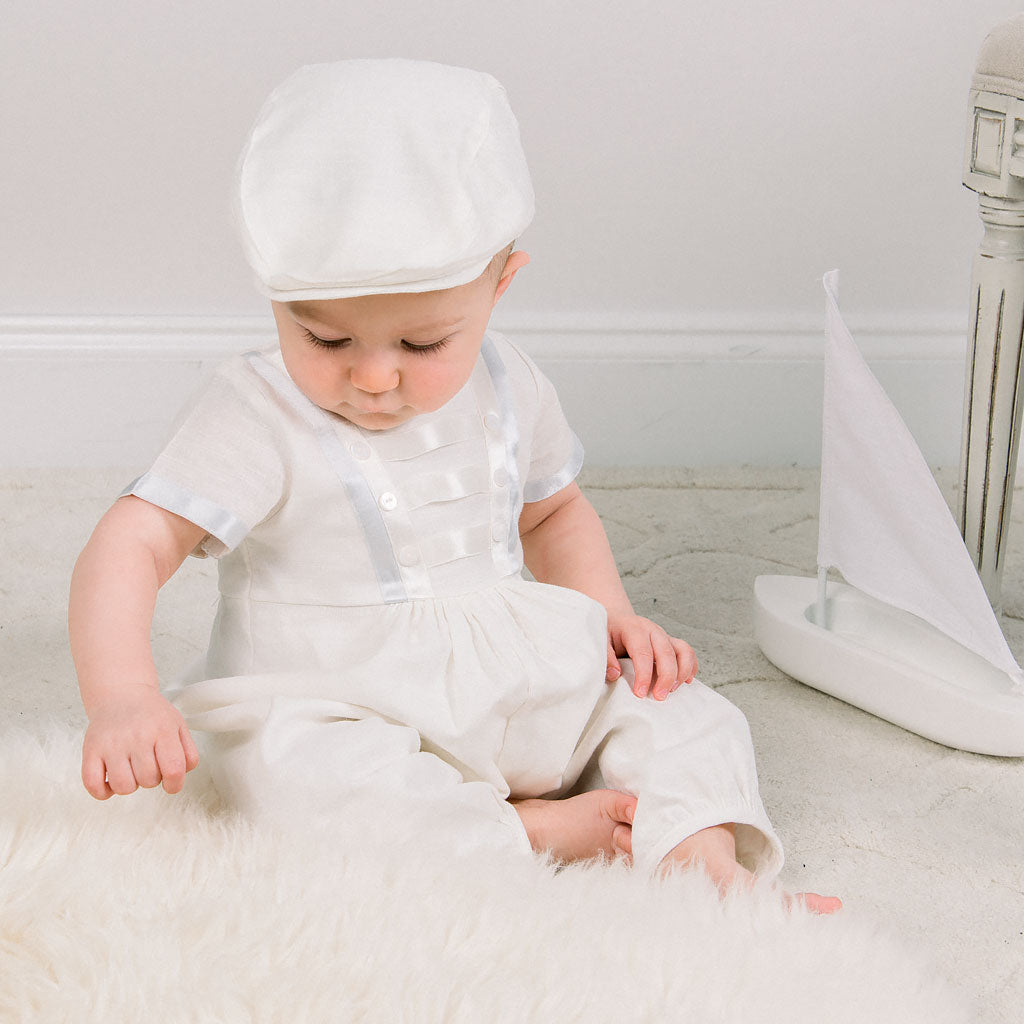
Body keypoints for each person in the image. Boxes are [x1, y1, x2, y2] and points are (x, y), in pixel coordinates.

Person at [68, 59, 839, 913]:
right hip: (337, 699)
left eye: (424, 344)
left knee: (685, 715)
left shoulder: (511, 383)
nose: (370, 376)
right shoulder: (256, 410)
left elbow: (553, 514)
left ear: (501, 283)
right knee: (298, 783)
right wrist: (124, 698)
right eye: (323, 338)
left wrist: (613, 616)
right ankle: (525, 834)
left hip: (518, 675)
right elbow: (133, 540)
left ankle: (706, 869)